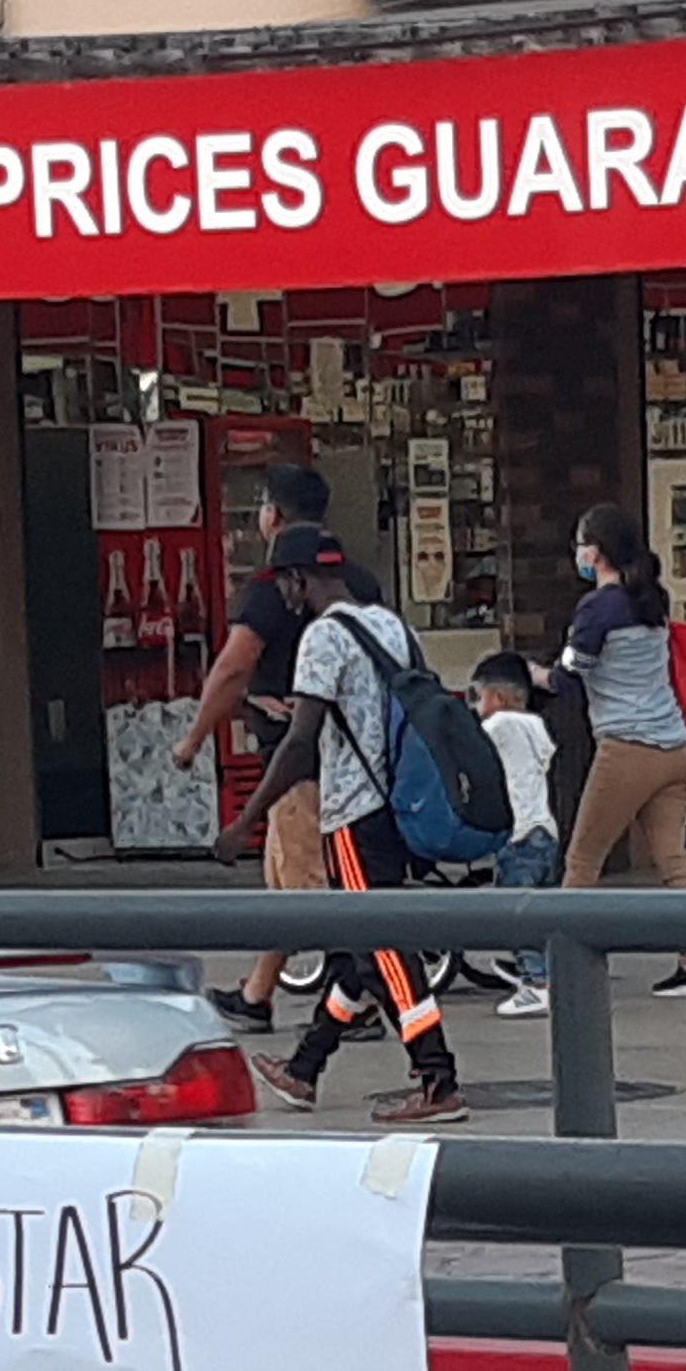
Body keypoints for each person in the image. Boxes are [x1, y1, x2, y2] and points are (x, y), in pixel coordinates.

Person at [217, 527, 464, 1125]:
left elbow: (301, 741)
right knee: (357, 952)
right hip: (398, 805)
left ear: (297, 580)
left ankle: (437, 1079)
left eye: (284, 584)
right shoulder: (392, 627)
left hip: (353, 813)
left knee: (382, 949)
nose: (285, 597)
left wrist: (246, 819)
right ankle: (305, 1068)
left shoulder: (323, 637)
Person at [177, 462, 336, 1032]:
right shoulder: (354, 581)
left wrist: (193, 739)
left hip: (298, 763)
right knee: (286, 883)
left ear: (275, 516)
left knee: (308, 888)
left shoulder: (274, 590)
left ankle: (355, 1000)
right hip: (342, 758)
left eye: (264, 504)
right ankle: (257, 994)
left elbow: (231, 668)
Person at [555, 502, 686, 998]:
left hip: (627, 749)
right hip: (675, 748)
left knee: (582, 861)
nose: (577, 553)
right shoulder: (652, 599)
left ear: (597, 552)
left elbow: (570, 674)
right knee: (673, 860)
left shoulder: (597, 608)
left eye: (582, 543)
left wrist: (537, 675)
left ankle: (562, 972)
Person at [466, 649, 562, 1019]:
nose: (477, 707)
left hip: (520, 836)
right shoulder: (536, 725)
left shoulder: (500, 725)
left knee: (516, 915)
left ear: (499, 698)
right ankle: (545, 973)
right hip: (546, 832)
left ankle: (536, 985)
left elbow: (469, 745)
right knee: (541, 913)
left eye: (479, 697)